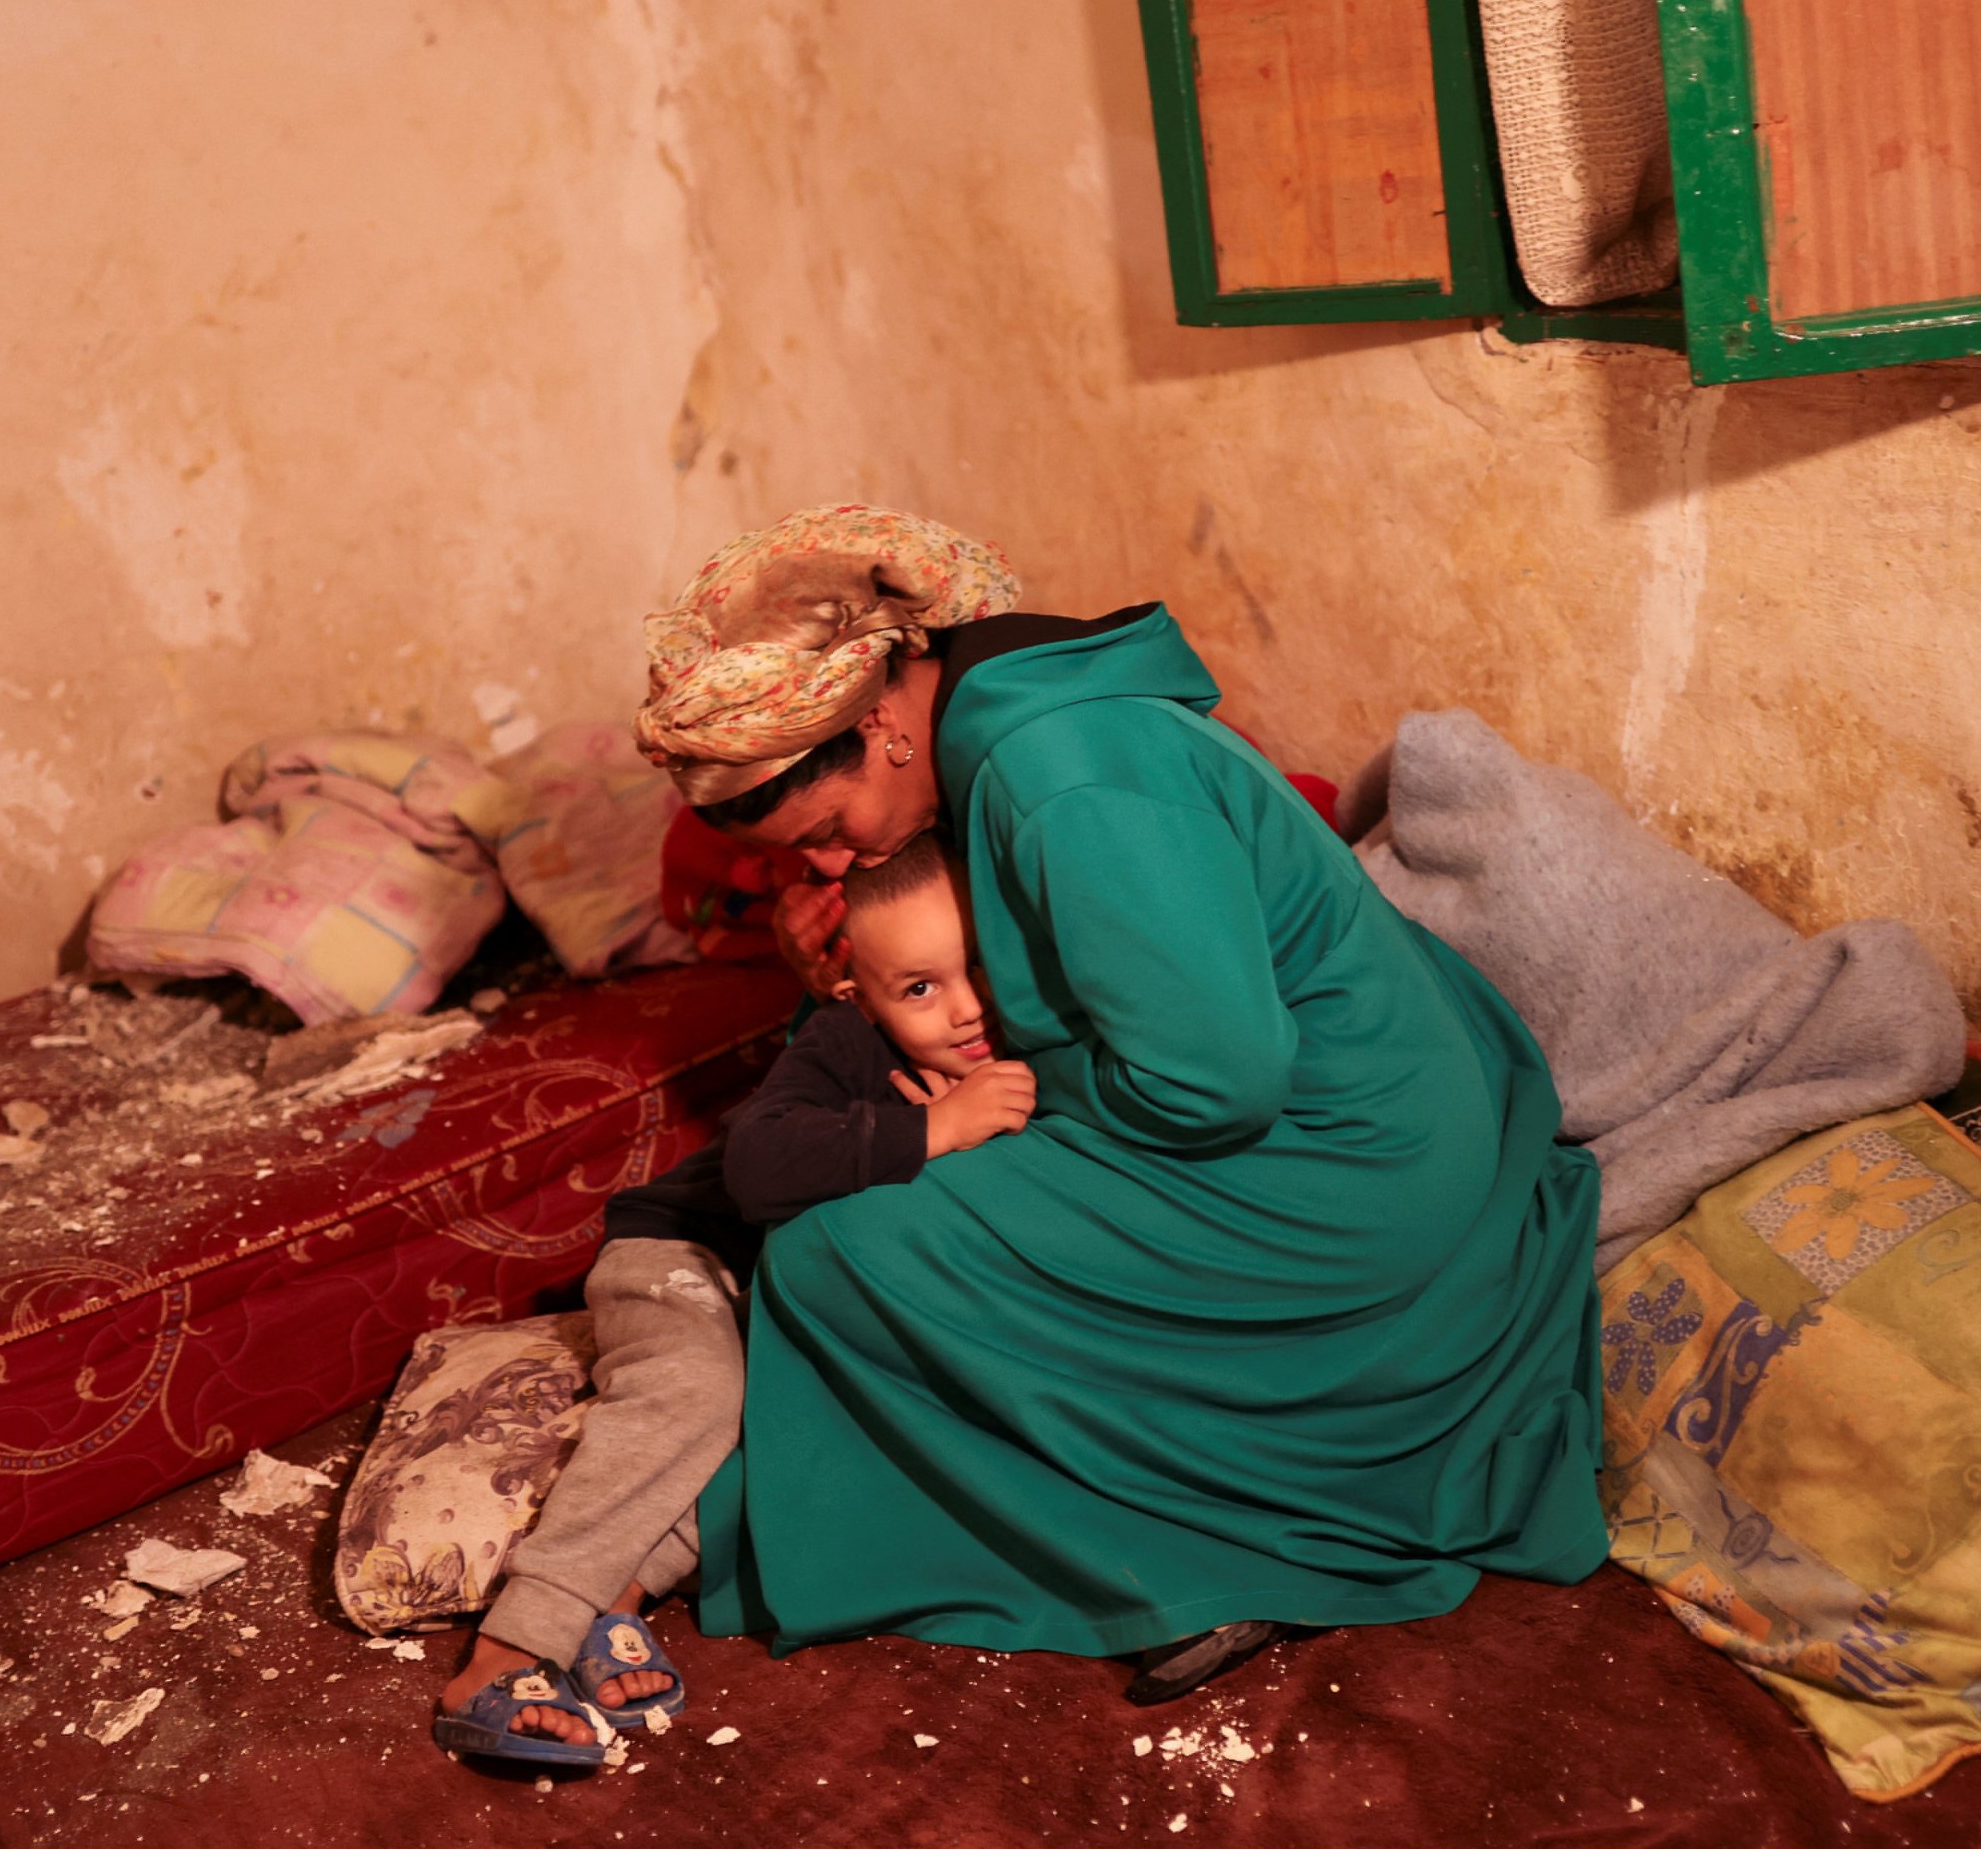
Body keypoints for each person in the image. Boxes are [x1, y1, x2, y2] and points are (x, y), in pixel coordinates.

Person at [637, 504, 1609, 1708]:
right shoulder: (1014, 720)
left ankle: (1225, 1546)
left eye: (827, 833)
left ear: (883, 722)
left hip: (1340, 1159)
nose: (832, 871)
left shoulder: (1062, 777)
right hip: (1336, 1095)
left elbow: (1217, 1081)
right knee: (865, 1176)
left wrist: (1013, 1095)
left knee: (837, 1255)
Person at [431, 834, 1035, 1767]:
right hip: (683, 1258)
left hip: (790, 1306)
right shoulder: (848, 1046)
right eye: (919, 987)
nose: (967, 1009)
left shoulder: (1020, 1053)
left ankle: (620, 1598)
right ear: (857, 995)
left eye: (982, 968)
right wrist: (932, 1126)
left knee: (798, 1429)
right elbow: (757, 1167)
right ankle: (508, 1650)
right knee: (701, 1390)